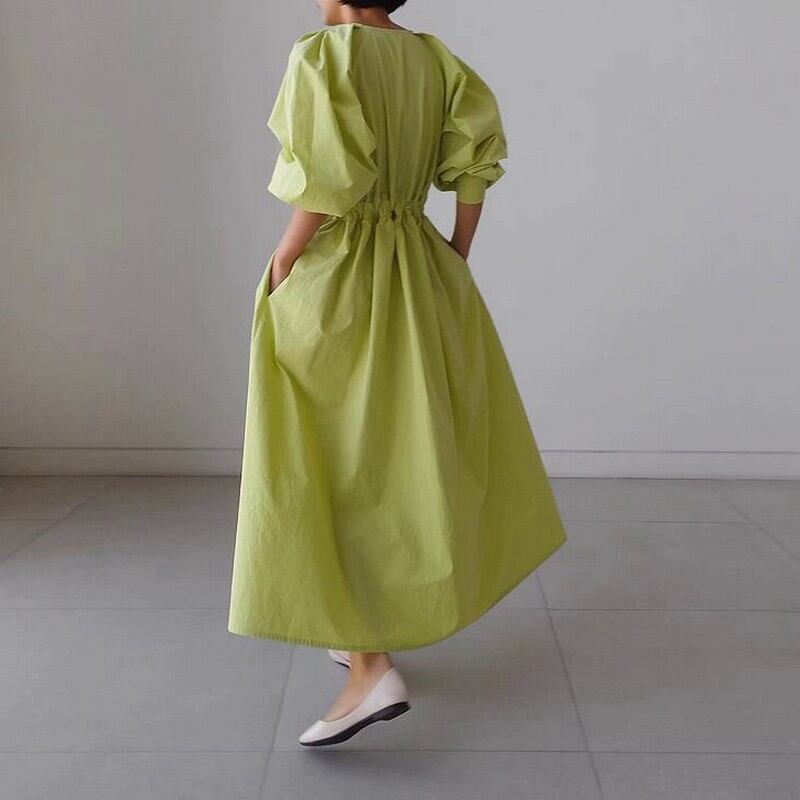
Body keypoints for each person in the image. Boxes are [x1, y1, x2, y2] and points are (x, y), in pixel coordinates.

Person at [228, 0, 567, 747]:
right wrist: (455, 253)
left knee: (331, 462)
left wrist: (284, 262)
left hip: (341, 275)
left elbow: (326, 182)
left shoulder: (324, 54)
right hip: (419, 267)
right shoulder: (434, 59)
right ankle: (362, 633)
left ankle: (370, 669)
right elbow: (475, 165)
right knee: (391, 455)